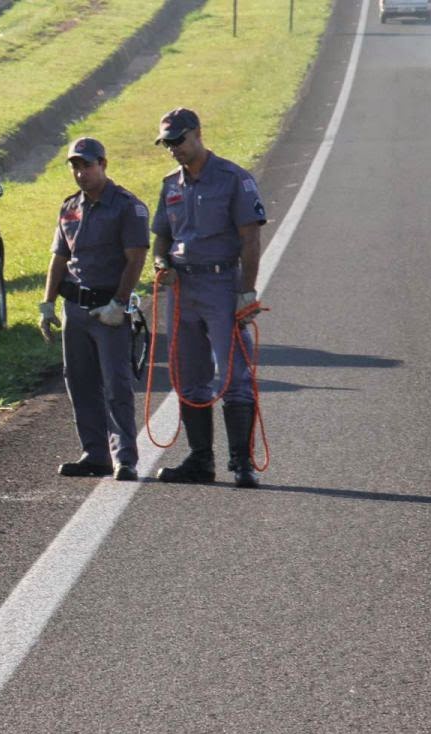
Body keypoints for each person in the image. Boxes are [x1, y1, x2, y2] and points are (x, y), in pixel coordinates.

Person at [150, 108, 266, 488]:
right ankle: (201, 460)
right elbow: (162, 237)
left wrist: (246, 292)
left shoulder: (233, 178)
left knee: (233, 374)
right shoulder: (171, 185)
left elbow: (250, 237)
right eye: (167, 143)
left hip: (220, 284)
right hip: (182, 288)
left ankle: (242, 463)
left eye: (178, 140)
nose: (173, 149)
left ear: (198, 133)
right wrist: (160, 263)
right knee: (187, 375)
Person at [39, 137, 150, 482]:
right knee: (79, 382)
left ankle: (125, 458)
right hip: (75, 308)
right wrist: (47, 304)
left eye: (86, 165)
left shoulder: (127, 206)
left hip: (109, 309)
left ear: (103, 164)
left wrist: (119, 303)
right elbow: (59, 258)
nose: (80, 172)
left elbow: (136, 259)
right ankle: (95, 454)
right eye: (75, 166)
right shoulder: (69, 206)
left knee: (116, 384)